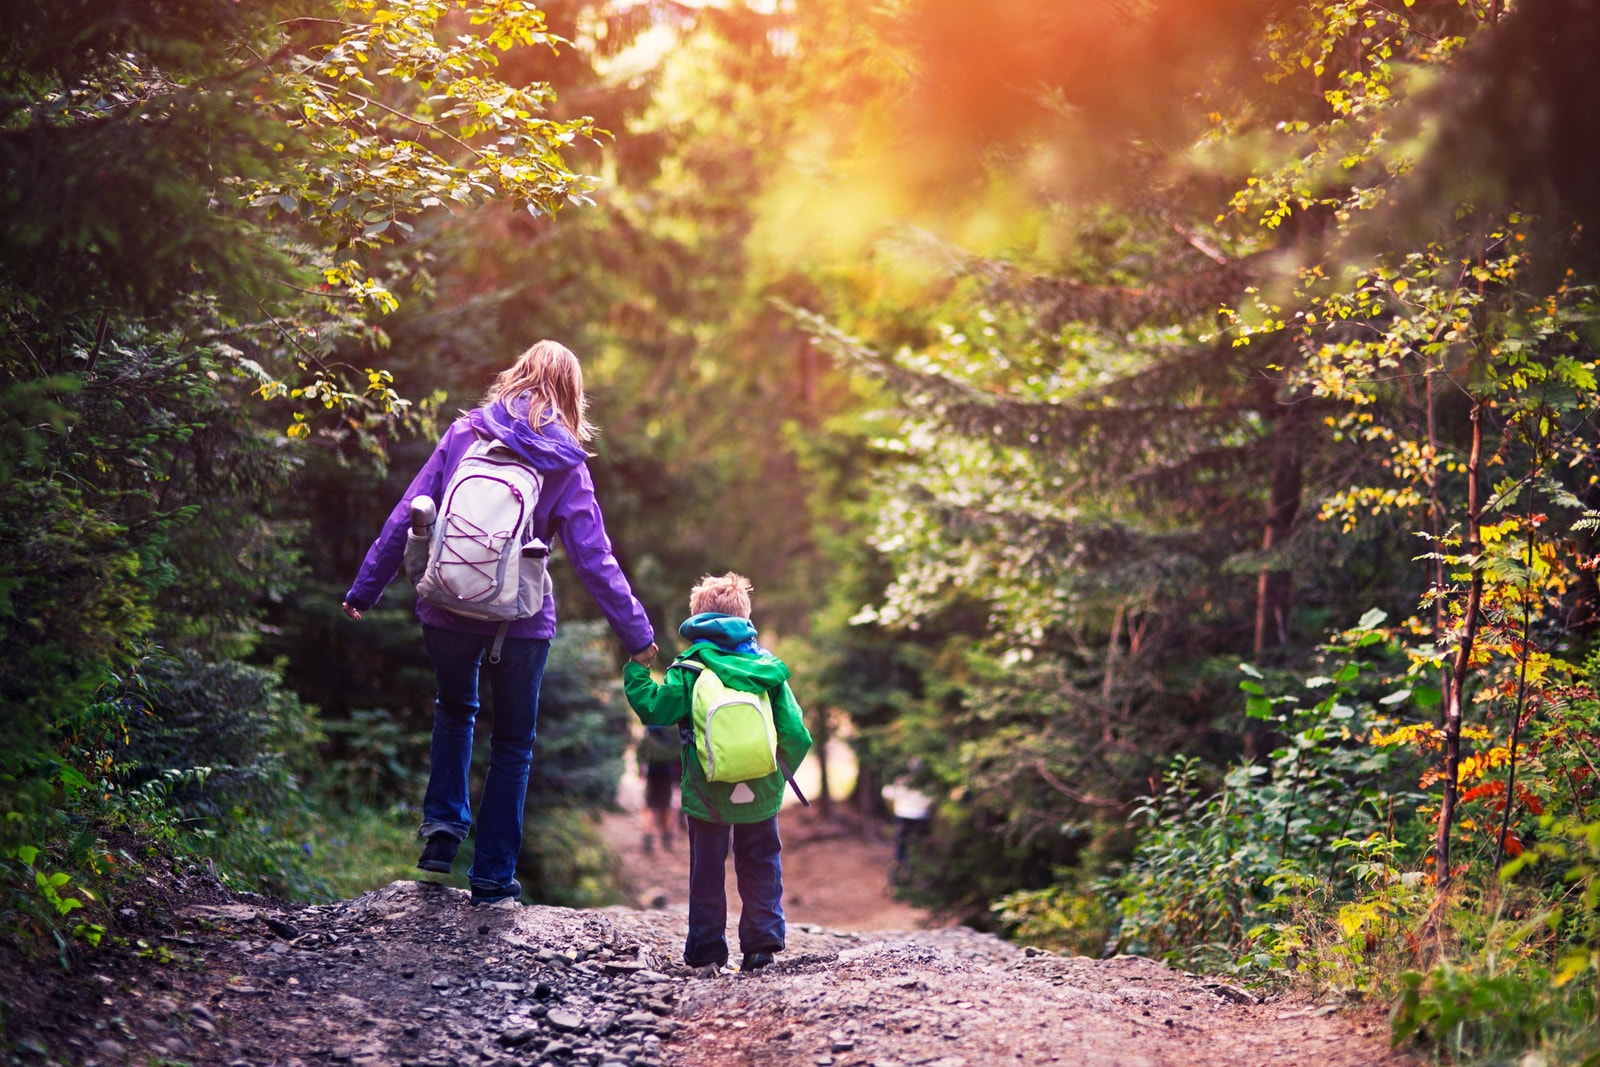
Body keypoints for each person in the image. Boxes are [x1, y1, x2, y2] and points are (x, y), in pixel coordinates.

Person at [342, 340, 658, 906]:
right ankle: (491, 877)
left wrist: (366, 586)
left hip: (446, 607)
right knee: (513, 743)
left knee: (454, 709)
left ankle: (442, 832)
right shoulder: (565, 461)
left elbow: (407, 511)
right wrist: (637, 635)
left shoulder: (465, 432)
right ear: (572, 394)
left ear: (516, 375)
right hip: (521, 622)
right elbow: (594, 558)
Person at [622, 572, 811, 973]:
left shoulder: (689, 669)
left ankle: (706, 952)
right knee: (761, 861)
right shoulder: (766, 669)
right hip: (760, 786)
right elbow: (796, 733)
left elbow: (654, 709)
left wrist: (637, 670)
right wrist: (776, 776)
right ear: (745, 616)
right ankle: (761, 946)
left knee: (706, 870)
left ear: (697, 619)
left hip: (706, 790)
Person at [636, 724, 682, 853]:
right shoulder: (673, 729)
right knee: (665, 805)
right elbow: (679, 752)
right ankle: (666, 836)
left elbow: (641, 751)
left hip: (653, 773)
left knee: (650, 805)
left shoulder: (650, 729)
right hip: (667, 773)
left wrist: (640, 766)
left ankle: (648, 835)